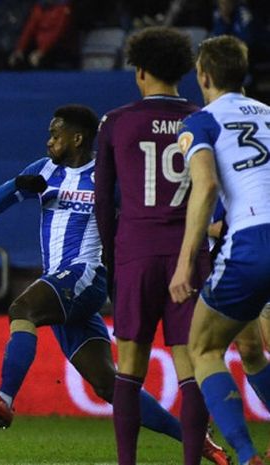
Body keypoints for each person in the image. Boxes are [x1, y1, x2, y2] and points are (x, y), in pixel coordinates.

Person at [0, 105, 228, 465]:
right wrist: (16, 185)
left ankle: (5, 398)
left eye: (55, 135)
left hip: (86, 275)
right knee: (109, 385)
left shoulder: (105, 178)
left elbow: (149, 208)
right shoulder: (42, 171)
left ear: (77, 138)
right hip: (60, 287)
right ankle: (200, 442)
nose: (49, 141)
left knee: (21, 309)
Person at [94, 26, 219, 465]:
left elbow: (104, 203)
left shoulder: (116, 122)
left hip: (136, 252)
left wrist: (112, 260)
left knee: (129, 366)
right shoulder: (203, 119)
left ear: (140, 71)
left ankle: (127, 462)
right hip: (189, 252)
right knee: (192, 365)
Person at [169, 35, 270, 465]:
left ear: (203, 75)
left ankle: (246, 456)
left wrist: (185, 261)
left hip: (252, 241)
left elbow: (207, 185)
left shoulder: (201, 122)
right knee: (250, 347)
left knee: (204, 349)